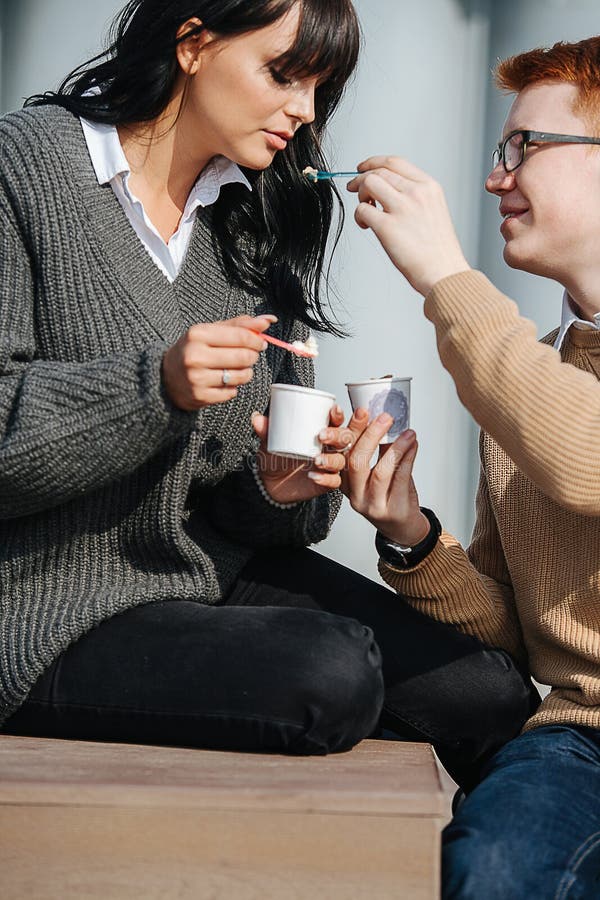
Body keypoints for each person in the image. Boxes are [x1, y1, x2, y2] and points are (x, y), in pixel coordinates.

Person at [0, 0, 531, 775]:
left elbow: (271, 519)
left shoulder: (252, 217)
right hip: (41, 602)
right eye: (284, 75)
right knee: (331, 671)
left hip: (205, 576)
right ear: (192, 43)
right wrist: (155, 387)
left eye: (320, 86)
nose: (304, 111)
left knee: (488, 694)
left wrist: (282, 488)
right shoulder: (25, 165)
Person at [344, 34, 600, 900]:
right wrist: (409, 534)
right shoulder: (529, 371)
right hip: (580, 743)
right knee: (491, 866)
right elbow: (518, 628)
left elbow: (585, 456)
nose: (497, 178)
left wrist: (445, 274)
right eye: (500, 151)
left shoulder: (516, 379)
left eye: (524, 148)